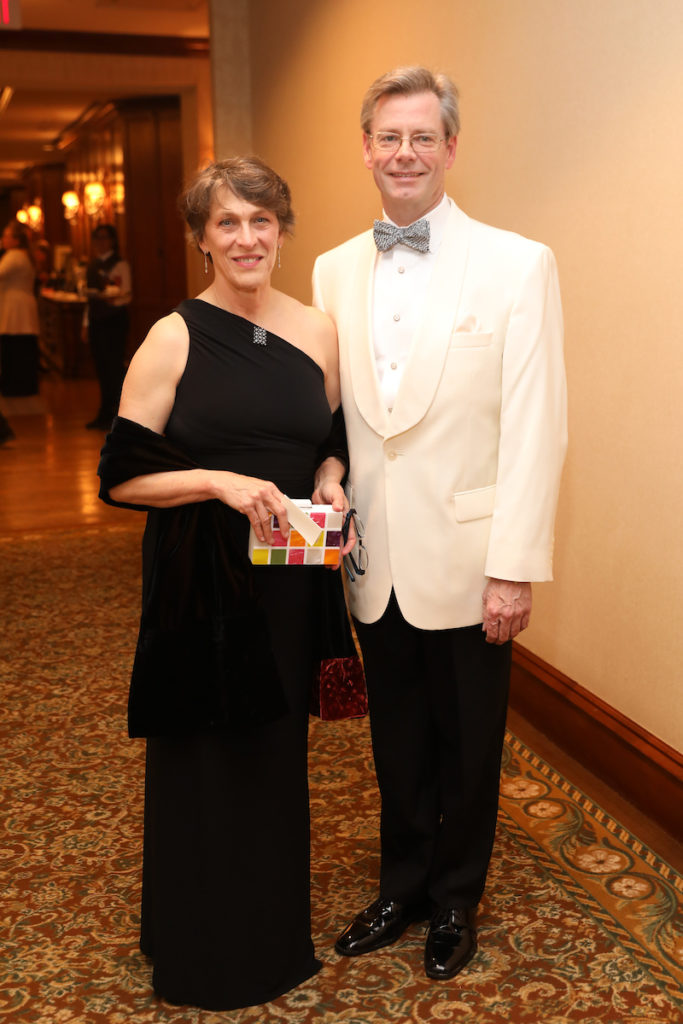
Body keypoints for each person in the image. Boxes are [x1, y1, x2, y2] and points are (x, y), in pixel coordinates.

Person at [313, 66, 567, 981]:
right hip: (373, 556)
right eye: (388, 136)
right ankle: (403, 883)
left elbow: (537, 425)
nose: (405, 152)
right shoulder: (332, 268)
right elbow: (335, 413)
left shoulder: (516, 261)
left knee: (468, 740)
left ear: (451, 147)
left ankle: (457, 897)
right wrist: (326, 475)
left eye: (423, 136)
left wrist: (514, 565)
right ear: (369, 149)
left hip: (470, 558)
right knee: (398, 736)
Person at [97, 157, 356, 1011]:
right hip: (201, 578)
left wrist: (327, 473)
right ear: (201, 239)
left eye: (260, 222)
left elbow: (328, 435)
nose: (245, 239)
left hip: (286, 578)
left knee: (274, 753)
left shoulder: (317, 328)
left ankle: (272, 932)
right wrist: (215, 482)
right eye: (226, 224)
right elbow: (122, 477)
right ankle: (200, 945)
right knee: (206, 755)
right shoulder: (174, 334)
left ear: (282, 231)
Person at [85, 223, 131, 430]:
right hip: (97, 320)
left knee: (114, 368)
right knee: (102, 369)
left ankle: (118, 415)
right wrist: (85, 325)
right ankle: (104, 412)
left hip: (114, 321)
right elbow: (89, 300)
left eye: (104, 238)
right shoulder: (92, 265)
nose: (100, 243)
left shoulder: (120, 264)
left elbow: (125, 294)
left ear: (112, 241)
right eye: (97, 238)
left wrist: (110, 299)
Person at [0, 221, 40, 397]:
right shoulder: (21, 254)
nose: (3, 239)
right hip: (19, 306)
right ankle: (21, 385)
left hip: (16, 308)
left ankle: (17, 387)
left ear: (16, 240)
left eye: (6, 236)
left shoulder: (14, 255)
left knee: (15, 349)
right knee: (20, 347)